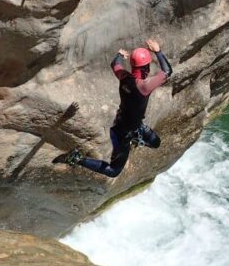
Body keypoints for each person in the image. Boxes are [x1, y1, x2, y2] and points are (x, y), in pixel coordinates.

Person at [52, 39, 172, 177]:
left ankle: (134, 137)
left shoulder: (125, 77)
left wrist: (120, 55)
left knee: (156, 143)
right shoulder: (144, 86)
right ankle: (77, 158)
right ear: (146, 68)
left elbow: (115, 64)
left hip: (129, 125)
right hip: (122, 134)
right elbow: (167, 71)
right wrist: (158, 51)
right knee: (113, 171)